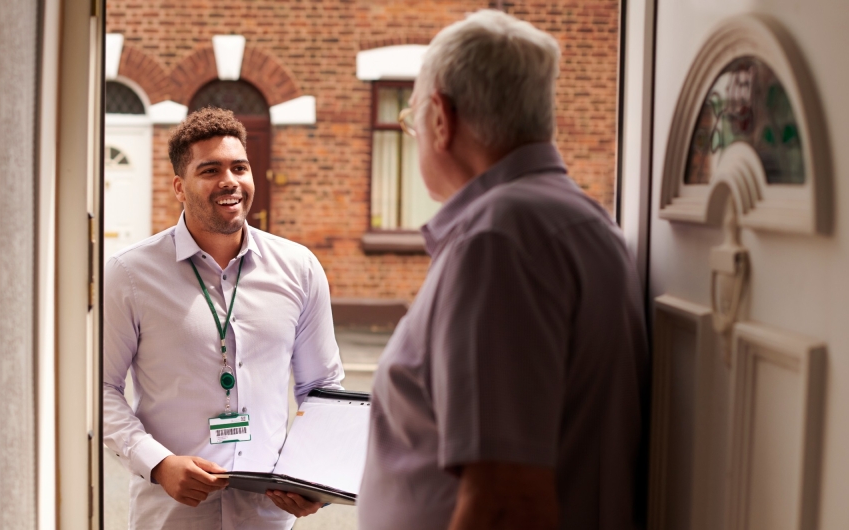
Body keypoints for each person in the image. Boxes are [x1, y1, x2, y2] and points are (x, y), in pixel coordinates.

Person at [358, 10, 648, 530]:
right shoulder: (580, 218)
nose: (415, 134)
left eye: (412, 120)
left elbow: (504, 502)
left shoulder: (496, 241)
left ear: (441, 119)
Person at [103, 107, 344, 529]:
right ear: (180, 186)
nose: (229, 180)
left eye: (239, 167)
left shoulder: (299, 268)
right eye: (210, 169)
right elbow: (99, 390)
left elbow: (321, 388)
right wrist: (158, 463)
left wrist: (315, 480)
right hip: (172, 515)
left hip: (266, 516)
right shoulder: (128, 275)